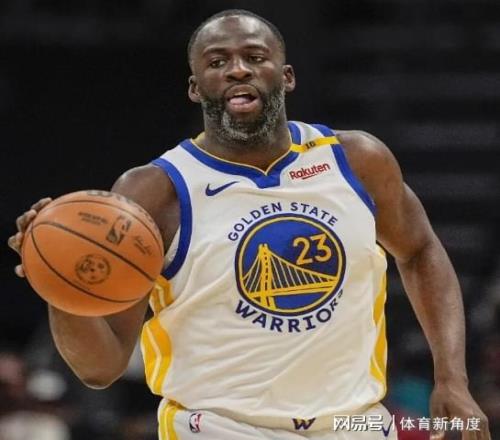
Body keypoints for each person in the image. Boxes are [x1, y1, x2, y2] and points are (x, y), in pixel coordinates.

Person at [8, 9, 490, 440]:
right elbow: (101, 367)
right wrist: (59, 283)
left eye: (254, 57)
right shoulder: (156, 191)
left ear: (287, 76)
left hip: (354, 423)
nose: (237, 69)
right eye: (217, 61)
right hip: (219, 426)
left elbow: (421, 249)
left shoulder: (356, 160)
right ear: (195, 87)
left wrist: (452, 379)